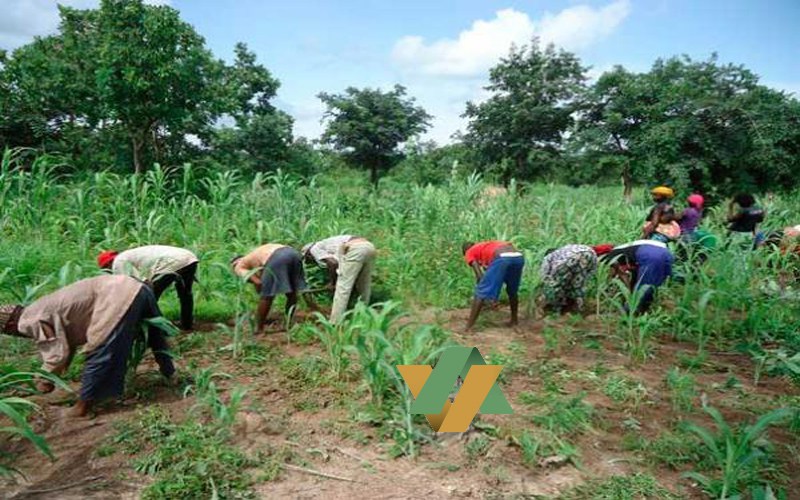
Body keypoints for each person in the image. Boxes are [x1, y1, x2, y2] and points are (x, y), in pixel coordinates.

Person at [0, 275, 175, 417]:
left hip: (116, 296)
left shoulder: (27, 321)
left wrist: (43, 378)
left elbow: (56, 354)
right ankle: (170, 374)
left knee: (99, 350)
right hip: (135, 286)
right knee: (155, 334)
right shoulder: (35, 308)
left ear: (8, 327)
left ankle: (82, 407)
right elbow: (65, 343)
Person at [98, 245, 199, 330]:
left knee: (150, 296)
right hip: (189, 258)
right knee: (185, 293)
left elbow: (142, 282)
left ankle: (160, 327)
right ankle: (187, 324)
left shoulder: (118, 262)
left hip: (171, 262)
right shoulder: (127, 256)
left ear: (107, 265)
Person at [231, 243, 311, 334]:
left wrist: (261, 290)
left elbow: (258, 282)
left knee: (267, 296)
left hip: (276, 257)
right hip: (293, 253)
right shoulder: (255, 256)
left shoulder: (238, 266)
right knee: (292, 293)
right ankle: (288, 322)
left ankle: (259, 328)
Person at [302, 235, 376, 323]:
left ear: (308, 254)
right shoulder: (328, 244)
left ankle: (335, 323)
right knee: (364, 286)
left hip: (355, 248)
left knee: (342, 289)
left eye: (308, 259)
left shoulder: (314, 249)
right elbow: (336, 262)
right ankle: (363, 316)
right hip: (369, 247)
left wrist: (333, 283)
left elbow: (332, 263)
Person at [462, 241, 525, 330]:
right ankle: (514, 321)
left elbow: (480, 276)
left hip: (502, 257)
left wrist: (481, 292)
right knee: (512, 290)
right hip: (518, 257)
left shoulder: (469, 252)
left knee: (480, 291)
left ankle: (469, 327)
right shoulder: (485, 246)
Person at [602, 240, 674, 314]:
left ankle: (630, 313)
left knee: (644, 289)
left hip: (649, 254)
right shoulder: (628, 250)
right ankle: (644, 312)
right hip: (666, 253)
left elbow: (623, 276)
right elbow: (635, 276)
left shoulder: (611, 257)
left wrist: (628, 295)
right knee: (653, 285)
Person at [539, 244, 600, 314]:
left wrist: (545, 288)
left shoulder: (549, 256)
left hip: (572, 258)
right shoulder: (564, 250)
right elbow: (591, 271)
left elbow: (544, 274)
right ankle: (578, 308)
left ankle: (555, 309)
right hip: (590, 255)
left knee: (558, 285)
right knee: (577, 284)